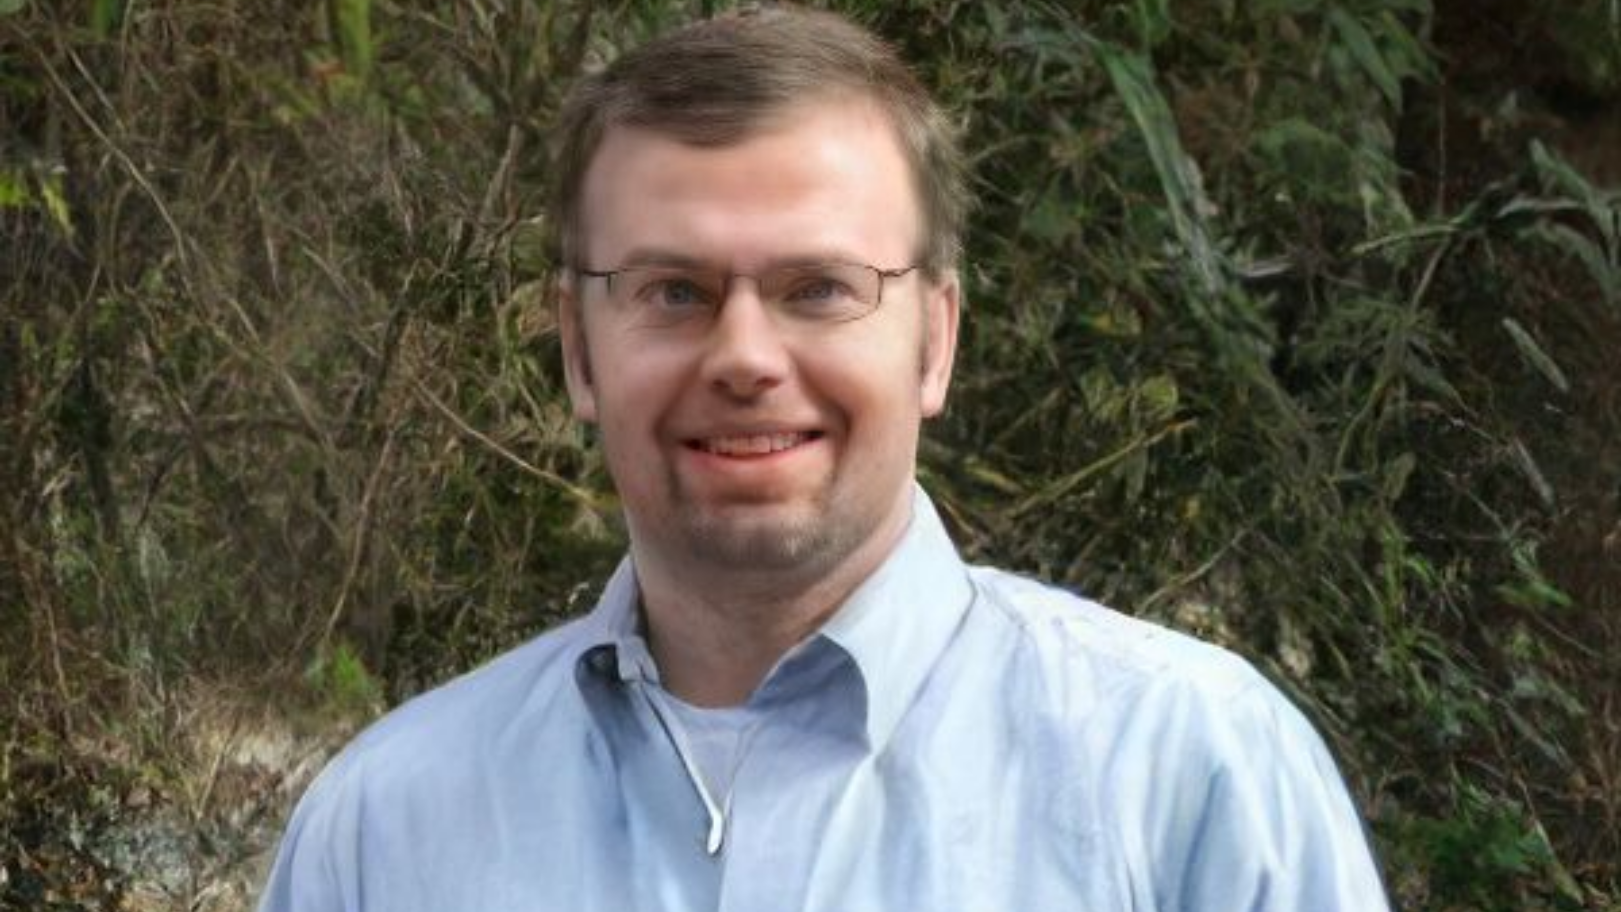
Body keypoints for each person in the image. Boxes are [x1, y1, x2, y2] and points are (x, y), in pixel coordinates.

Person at [259, 6, 1392, 911]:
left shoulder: (1187, 776)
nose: (745, 356)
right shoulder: (385, 830)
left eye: (819, 290)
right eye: (672, 292)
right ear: (578, 349)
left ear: (935, 341)